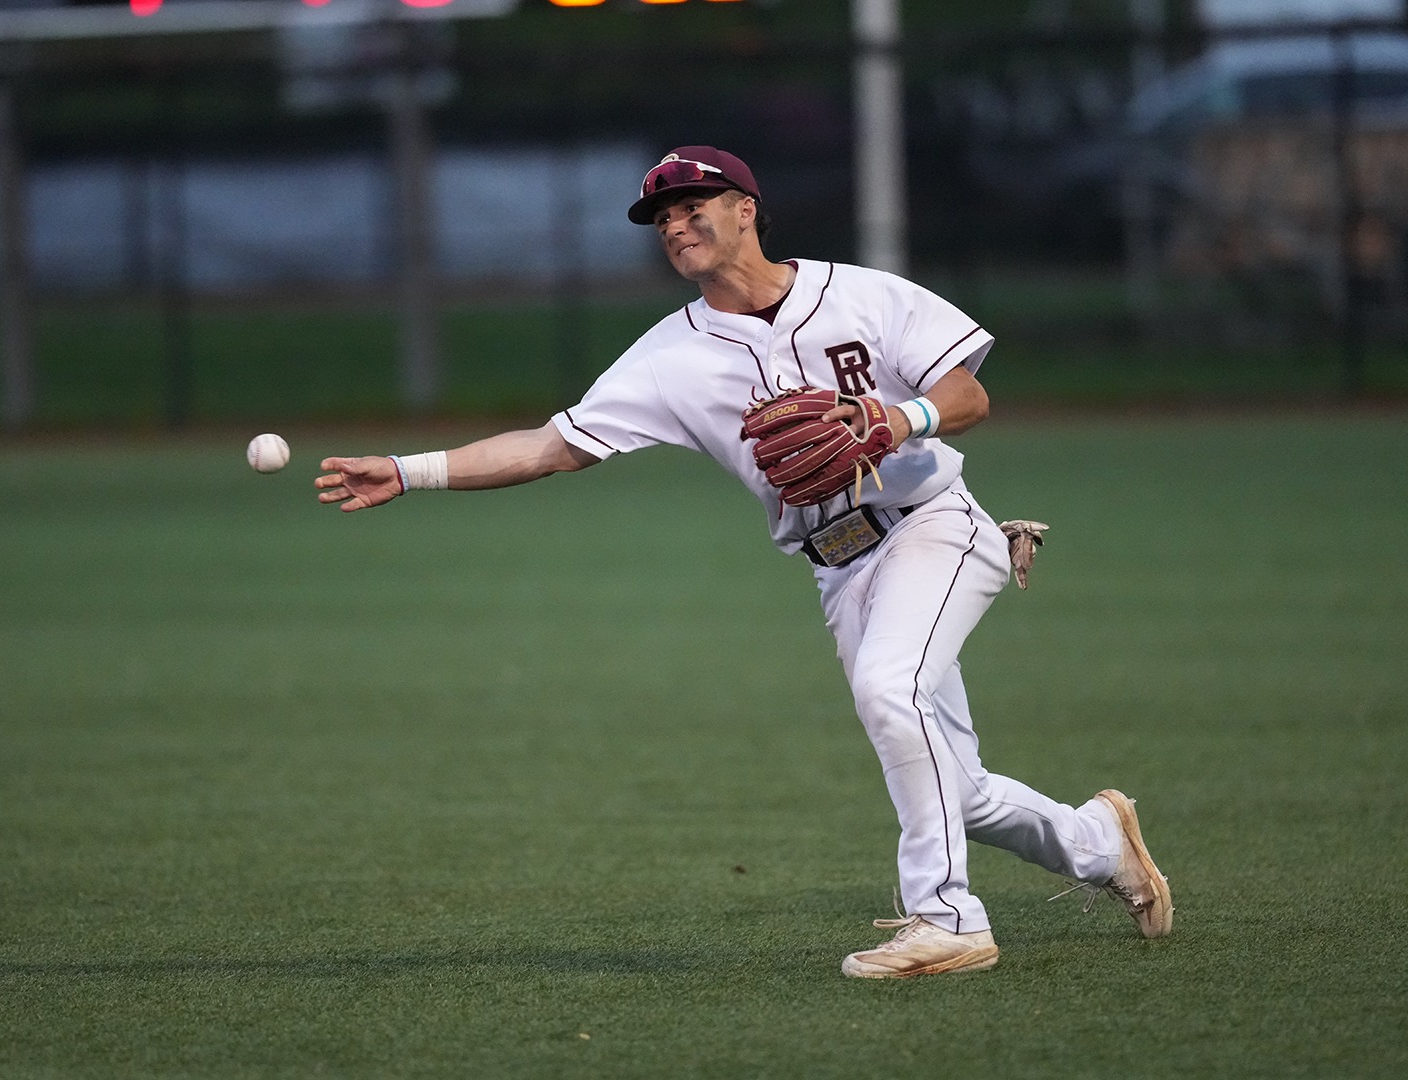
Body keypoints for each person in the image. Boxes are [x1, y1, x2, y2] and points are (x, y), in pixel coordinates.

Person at [315, 146, 1173, 978]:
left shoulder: (863, 296)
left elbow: (969, 394)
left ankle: (948, 921)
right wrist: (406, 469)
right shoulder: (669, 357)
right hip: (839, 568)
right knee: (956, 785)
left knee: (888, 690)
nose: (676, 224)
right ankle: (1100, 844)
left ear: (746, 210)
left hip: (934, 526)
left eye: (693, 206)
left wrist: (895, 419)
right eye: (661, 217)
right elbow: (550, 445)